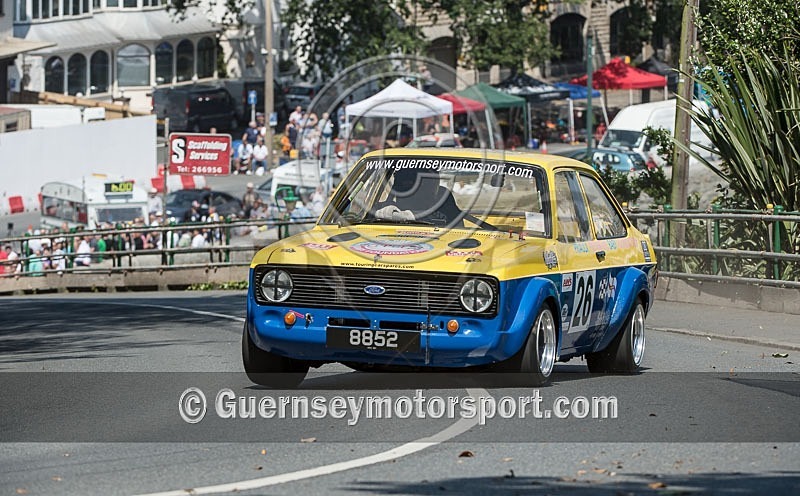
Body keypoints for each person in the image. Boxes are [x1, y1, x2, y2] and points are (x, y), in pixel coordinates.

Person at [373, 167, 461, 226]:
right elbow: (364, 217)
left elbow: (457, 225)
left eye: (433, 178)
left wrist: (408, 215)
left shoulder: (444, 198)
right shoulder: (386, 209)